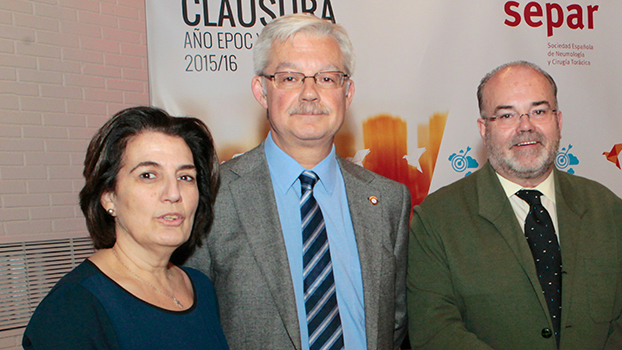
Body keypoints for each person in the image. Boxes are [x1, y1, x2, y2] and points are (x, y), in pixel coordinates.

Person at [185, 14, 410, 350]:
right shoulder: (213, 197)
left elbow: (394, 321)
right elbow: (191, 325)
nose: (309, 94)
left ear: (347, 93)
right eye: (289, 77)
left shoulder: (387, 199)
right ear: (261, 91)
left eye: (327, 78)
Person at [407, 61, 622, 350]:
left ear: (558, 121)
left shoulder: (608, 210)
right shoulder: (437, 220)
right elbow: (435, 331)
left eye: (539, 111)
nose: (525, 126)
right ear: (483, 129)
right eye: (506, 115)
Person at [22, 106, 227, 349]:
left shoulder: (200, 287)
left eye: (185, 177)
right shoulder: (74, 307)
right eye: (148, 175)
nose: (173, 194)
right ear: (108, 196)